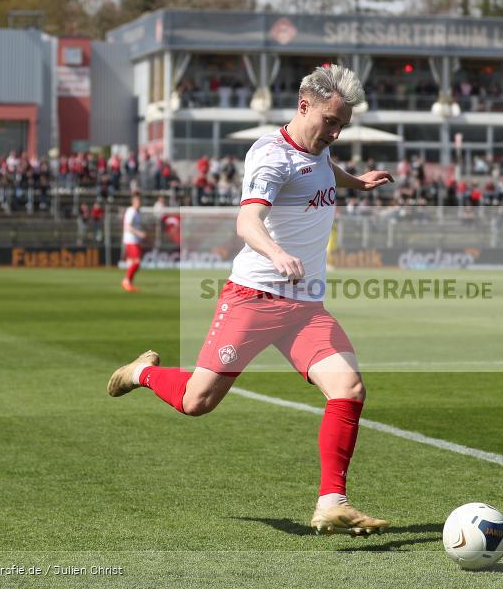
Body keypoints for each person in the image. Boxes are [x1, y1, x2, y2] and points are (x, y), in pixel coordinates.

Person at [106, 65, 393, 536]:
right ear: (305, 107)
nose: (336, 132)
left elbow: (320, 170)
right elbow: (247, 223)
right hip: (254, 298)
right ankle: (142, 371)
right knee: (198, 402)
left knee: (349, 389)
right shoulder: (269, 157)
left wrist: (356, 182)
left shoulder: (318, 147)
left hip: (304, 306)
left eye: (342, 124)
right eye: (330, 122)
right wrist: (277, 253)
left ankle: (331, 502)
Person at [121, 192, 146, 293]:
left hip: (135, 240)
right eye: (137, 201)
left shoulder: (137, 212)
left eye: (140, 201)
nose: (139, 203)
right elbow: (127, 226)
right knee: (137, 262)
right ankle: (126, 281)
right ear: (133, 202)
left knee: (132, 263)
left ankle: (129, 283)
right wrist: (139, 233)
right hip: (131, 240)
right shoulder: (131, 211)